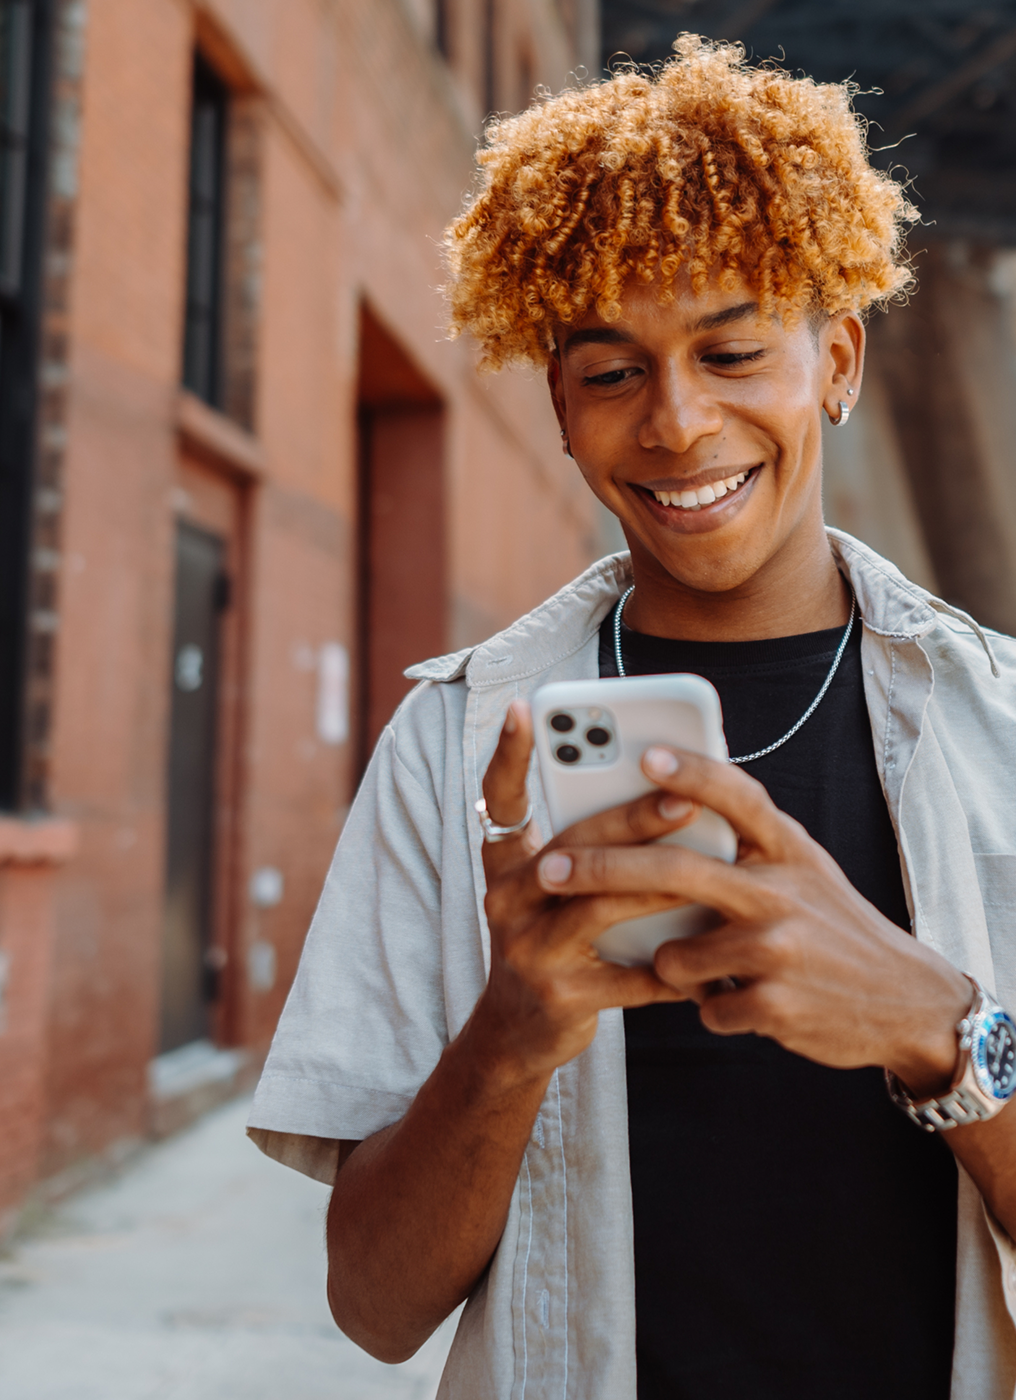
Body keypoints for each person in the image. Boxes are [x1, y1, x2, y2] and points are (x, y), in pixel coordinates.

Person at [247, 37, 1016, 1399]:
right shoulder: (457, 748)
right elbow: (374, 1307)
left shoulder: (998, 726)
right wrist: (512, 1033)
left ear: (837, 362)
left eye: (733, 352)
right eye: (610, 374)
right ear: (559, 407)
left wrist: (941, 1029)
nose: (676, 423)